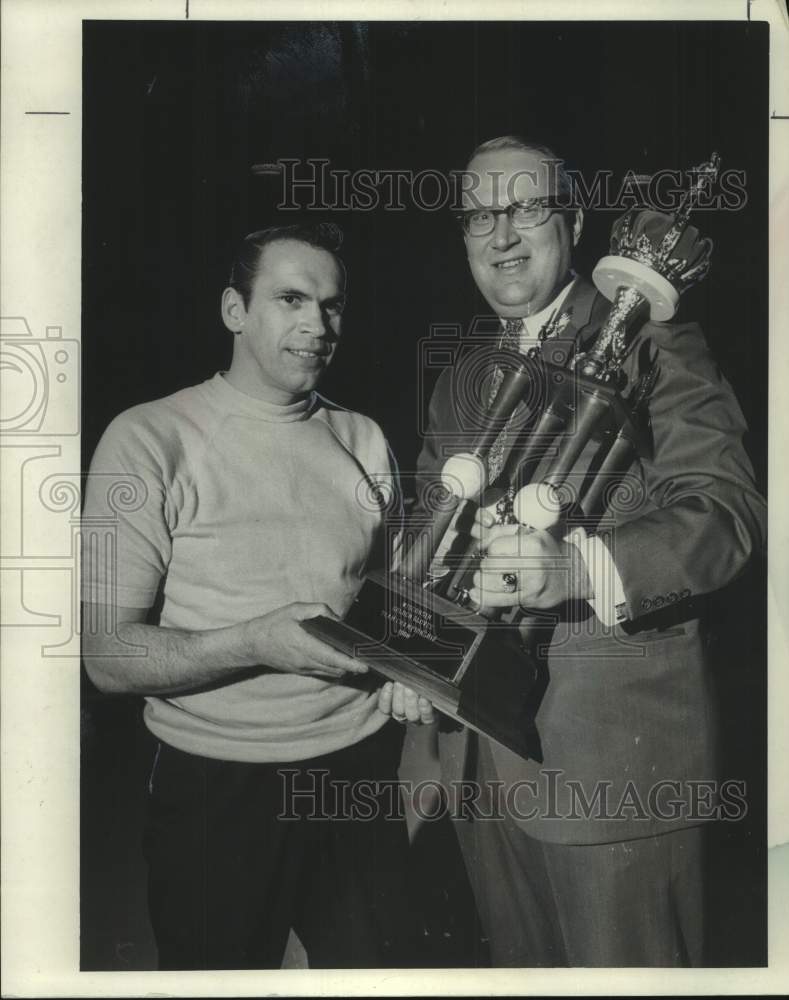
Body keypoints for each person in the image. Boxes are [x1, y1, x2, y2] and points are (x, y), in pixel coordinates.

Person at [416, 136, 766, 966]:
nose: (501, 235)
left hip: (612, 776)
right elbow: (429, 538)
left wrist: (574, 570)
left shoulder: (655, 340)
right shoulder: (461, 376)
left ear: (571, 220)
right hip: (478, 768)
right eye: (478, 216)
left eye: (525, 208)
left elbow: (726, 512)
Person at [81, 221, 433, 970]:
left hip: (357, 769)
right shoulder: (148, 439)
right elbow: (107, 657)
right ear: (234, 310)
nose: (317, 325)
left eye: (332, 306)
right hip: (216, 786)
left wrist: (409, 670)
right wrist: (252, 641)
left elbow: (397, 600)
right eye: (290, 299)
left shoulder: (363, 437)